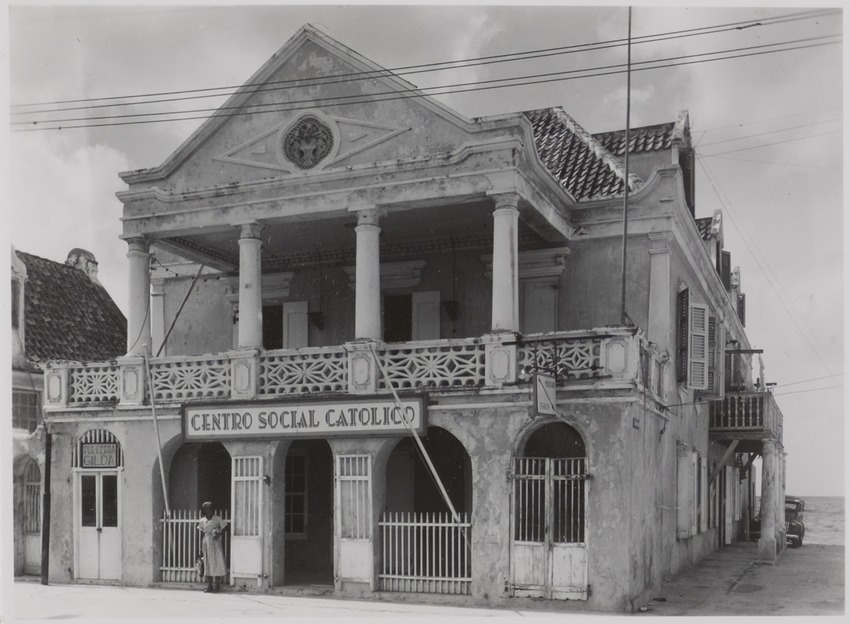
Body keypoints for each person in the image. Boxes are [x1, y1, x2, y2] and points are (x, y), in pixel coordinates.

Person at [197, 501, 228, 593]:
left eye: (211, 508)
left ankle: (217, 586)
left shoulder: (217, 519)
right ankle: (209, 586)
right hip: (206, 542)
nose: (210, 510)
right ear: (205, 510)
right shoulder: (202, 520)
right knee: (207, 563)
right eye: (208, 509)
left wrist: (219, 533)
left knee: (217, 562)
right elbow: (201, 533)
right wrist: (199, 547)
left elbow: (225, 527)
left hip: (215, 542)